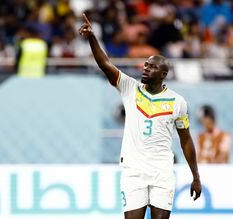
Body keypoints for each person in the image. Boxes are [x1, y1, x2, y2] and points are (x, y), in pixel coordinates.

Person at [79, 13, 201, 219]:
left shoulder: (178, 102)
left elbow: (186, 140)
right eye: (146, 65)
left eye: (152, 66)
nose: (146, 68)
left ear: (163, 74)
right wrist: (92, 38)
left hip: (162, 172)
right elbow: (105, 64)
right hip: (133, 171)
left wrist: (195, 176)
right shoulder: (130, 88)